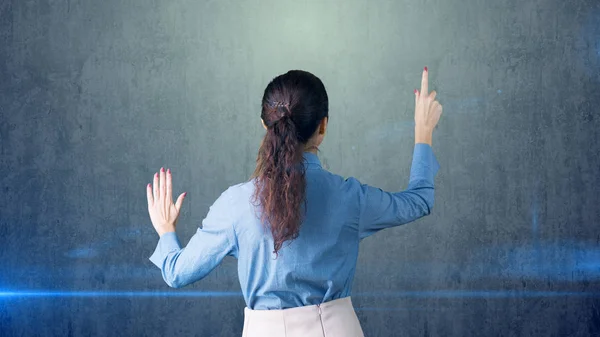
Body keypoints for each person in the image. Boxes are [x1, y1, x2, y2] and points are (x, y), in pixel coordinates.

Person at [146, 67, 442, 337]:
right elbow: (419, 200)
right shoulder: (350, 197)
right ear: (323, 126)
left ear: (265, 125)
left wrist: (166, 230)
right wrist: (423, 132)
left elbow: (176, 272)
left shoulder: (234, 205)